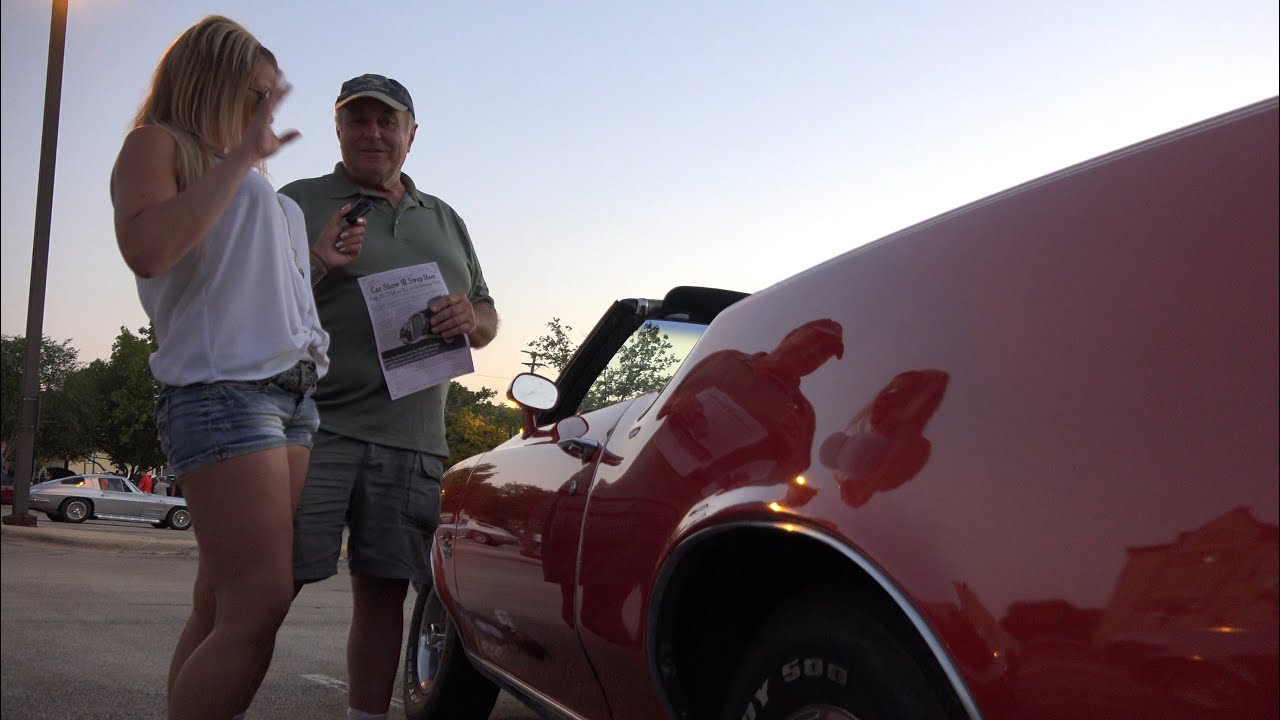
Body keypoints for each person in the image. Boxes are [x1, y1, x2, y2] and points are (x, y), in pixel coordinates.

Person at [110, 16, 365, 720]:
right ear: (210, 81)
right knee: (260, 603)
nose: (264, 113)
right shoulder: (158, 145)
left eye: (268, 98)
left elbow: (245, 294)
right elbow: (149, 250)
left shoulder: (257, 188)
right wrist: (236, 161)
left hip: (290, 397)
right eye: (252, 94)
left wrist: (315, 261)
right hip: (221, 392)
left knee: (221, 599)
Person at [278, 73, 498, 719]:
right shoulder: (297, 201)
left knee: (383, 600)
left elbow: (487, 315)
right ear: (338, 129)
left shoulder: (445, 218)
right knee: (269, 589)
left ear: (410, 134)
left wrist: (470, 319)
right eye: (358, 120)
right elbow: (258, 304)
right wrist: (319, 264)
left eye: (386, 121)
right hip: (314, 429)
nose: (372, 132)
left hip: (411, 438)